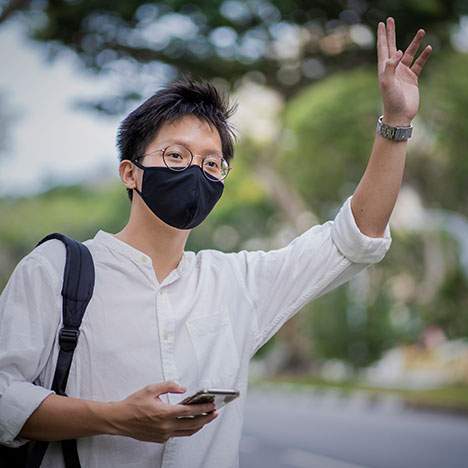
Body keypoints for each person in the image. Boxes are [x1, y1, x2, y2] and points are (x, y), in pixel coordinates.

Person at [0, 16, 431, 468]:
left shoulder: (235, 283)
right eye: (176, 155)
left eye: (212, 163)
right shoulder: (56, 269)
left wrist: (396, 124)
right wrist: (116, 418)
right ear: (130, 172)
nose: (196, 171)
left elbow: (352, 240)